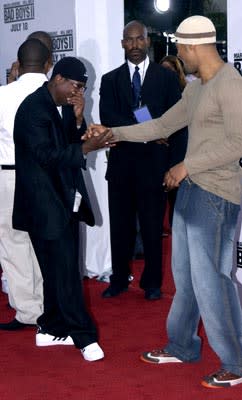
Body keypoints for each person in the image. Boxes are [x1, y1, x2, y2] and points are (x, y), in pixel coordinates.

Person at [87, 15, 242, 387]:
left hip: (217, 194)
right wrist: (113, 133)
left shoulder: (231, 85)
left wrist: (187, 165)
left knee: (213, 282)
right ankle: (182, 345)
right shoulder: (196, 87)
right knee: (186, 280)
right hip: (191, 192)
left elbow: (238, 143)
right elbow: (159, 125)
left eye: (180, 48)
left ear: (191, 47)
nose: (177, 55)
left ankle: (235, 364)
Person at [13, 56, 112, 361]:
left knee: (57, 273)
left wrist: (79, 119)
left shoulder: (59, 104)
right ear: (58, 79)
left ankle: (49, 328)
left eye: (83, 88)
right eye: (76, 86)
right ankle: (84, 337)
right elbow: (47, 156)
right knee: (67, 274)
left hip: (62, 200)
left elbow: (66, 142)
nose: (77, 92)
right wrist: (87, 147)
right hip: (44, 205)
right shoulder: (32, 109)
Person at [100, 20, 187, 300]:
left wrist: (174, 162)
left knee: (152, 228)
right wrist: (151, 131)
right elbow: (109, 119)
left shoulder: (166, 79)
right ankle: (118, 279)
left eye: (139, 39)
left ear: (148, 42)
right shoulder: (110, 80)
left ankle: (152, 283)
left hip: (155, 165)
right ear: (122, 43)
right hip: (122, 166)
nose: (135, 45)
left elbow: (178, 122)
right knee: (120, 228)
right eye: (129, 40)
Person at [0, 38, 51, 330]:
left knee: (14, 244)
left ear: (18, 65)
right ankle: (49, 304)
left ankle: (29, 312)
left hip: (9, 176)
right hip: (46, 177)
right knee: (46, 241)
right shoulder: (55, 93)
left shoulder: (3, 95)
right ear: (48, 63)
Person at [159, 55, 187, 228]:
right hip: (157, 151)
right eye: (162, 70)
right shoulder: (151, 90)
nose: (165, 74)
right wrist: (152, 132)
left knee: (177, 200)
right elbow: (141, 111)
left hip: (179, 152)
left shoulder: (187, 93)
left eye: (169, 70)